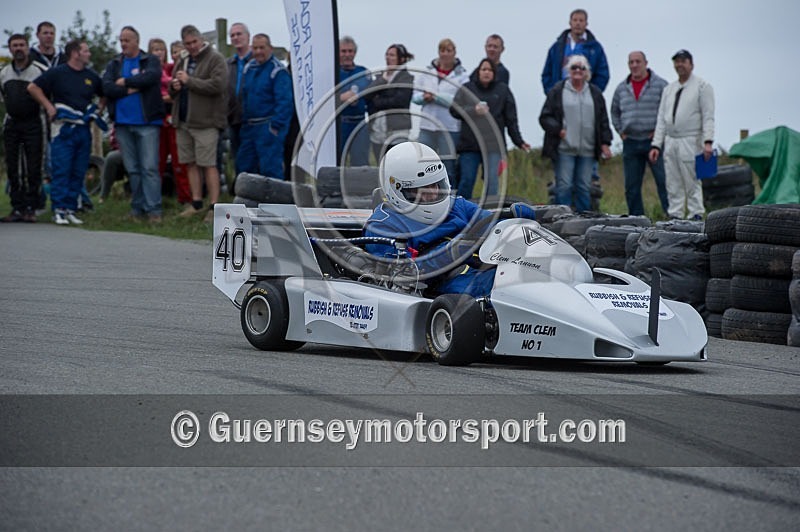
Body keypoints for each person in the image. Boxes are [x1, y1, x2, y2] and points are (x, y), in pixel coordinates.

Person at [363, 141, 536, 298]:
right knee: (503, 286)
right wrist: (454, 250)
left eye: (434, 185)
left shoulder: (457, 205)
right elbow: (401, 276)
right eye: (421, 189)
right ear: (397, 190)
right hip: (438, 290)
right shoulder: (382, 226)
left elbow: (490, 224)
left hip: (479, 270)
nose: (432, 194)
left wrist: (515, 221)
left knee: (528, 272)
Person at [27, 39, 105, 225]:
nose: (89, 54)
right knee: (62, 169)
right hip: (63, 128)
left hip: (83, 128)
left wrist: (98, 110)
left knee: (79, 170)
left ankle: (71, 208)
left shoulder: (91, 76)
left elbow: (104, 94)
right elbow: (33, 87)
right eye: (86, 51)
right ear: (75, 53)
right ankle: (58, 209)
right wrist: (49, 107)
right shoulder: (57, 72)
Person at [102, 26, 164, 222]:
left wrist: (126, 81)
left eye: (127, 40)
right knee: (133, 169)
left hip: (147, 122)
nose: (123, 44)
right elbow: (107, 87)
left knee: (149, 168)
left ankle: (154, 210)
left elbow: (151, 77)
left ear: (137, 41)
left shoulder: (149, 60)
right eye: (121, 40)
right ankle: (137, 209)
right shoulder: (114, 64)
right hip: (122, 124)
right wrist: (130, 89)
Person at [539, 55, 612, 213]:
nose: (578, 70)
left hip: (588, 149)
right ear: (568, 71)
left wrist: (605, 143)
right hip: (564, 149)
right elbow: (545, 117)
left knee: (584, 187)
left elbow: (603, 120)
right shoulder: (557, 91)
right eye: (574, 67)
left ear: (587, 72)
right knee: (564, 186)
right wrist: (558, 130)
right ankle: (561, 218)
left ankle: (583, 220)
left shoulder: (595, 93)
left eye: (582, 68)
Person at [169, 24, 227, 222]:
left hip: (206, 122)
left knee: (208, 164)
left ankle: (214, 207)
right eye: (187, 43)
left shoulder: (215, 58)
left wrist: (189, 81)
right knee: (190, 163)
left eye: (194, 42)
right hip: (183, 120)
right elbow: (173, 88)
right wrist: (175, 86)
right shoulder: (183, 60)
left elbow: (218, 85)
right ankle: (196, 203)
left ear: (201, 40)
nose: (192, 46)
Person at [649, 49, 715, 221]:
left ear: (691, 64)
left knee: (691, 180)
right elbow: (661, 119)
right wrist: (656, 144)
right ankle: (675, 216)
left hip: (691, 139)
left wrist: (708, 141)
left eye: (683, 61)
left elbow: (708, 116)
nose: (680, 65)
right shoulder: (669, 89)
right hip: (671, 140)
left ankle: (696, 215)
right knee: (672, 182)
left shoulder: (702, 86)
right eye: (677, 61)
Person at [451, 58, 530, 200]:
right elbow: (454, 110)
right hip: (470, 144)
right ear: (478, 72)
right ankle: (461, 209)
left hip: (493, 145)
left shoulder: (503, 90)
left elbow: (511, 119)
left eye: (490, 70)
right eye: (484, 69)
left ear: (494, 73)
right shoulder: (467, 88)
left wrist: (519, 141)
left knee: (492, 182)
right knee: (466, 180)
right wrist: (473, 110)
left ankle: (490, 211)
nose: (486, 72)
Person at [611, 51, 669, 216]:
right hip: (630, 141)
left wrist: (659, 132)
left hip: (654, 142)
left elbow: (668, 111)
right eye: (631, 62)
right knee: (632, 187)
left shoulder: (661, 85)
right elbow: (614, 112)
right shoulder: (621, 88)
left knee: (664, 182)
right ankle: (636, 221)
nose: (634, 65)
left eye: (638, 61)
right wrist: (621, 131)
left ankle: (670, 216)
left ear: (646, 63)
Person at [0, 34, 47, 222]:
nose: (18, 48)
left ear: (27, 47)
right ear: (10, 49)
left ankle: (31, 208)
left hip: (33, 123)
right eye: (15, 45)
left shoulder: (39, 71)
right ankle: (17, 207)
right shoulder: (3, 73)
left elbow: (47, 96)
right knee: (13, 166)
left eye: (21, 45)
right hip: (12, 123)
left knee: (33, 167)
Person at [236, 33, 293, 180]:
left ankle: (275, 195)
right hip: (249, 127)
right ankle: (248, 195)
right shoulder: (249, 68)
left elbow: (285, 103)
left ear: (270, 48)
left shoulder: (278, 71)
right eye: (255, 48)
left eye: (262, 48)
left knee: (270, 169)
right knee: (244, 167)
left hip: (268, 126)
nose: (258, 52)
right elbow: (244, 97)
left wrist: (275, 127)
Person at [414, 38, 469, 184]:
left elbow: (458, 101)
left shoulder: (463, 76)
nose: (445, 54)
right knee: (423, 164)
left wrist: (435, 97)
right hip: (427, 126)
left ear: (454, 53)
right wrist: (424, 97)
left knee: (448, 166)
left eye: (448, 51)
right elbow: (415, 97)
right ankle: (424, 193)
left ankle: (449, 195)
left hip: (449, 127)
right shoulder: (427, 72)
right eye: (442, 50)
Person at [149, 37, 190, 205]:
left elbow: (179, 91)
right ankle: (154, 198)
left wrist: (169, 98)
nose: (158, 53)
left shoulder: (172, 68)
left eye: (161, 49)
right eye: (155, 50)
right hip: (157, 118)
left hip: (173, 117)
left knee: (178, 160)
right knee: (157, 160)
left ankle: (185, 197)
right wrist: (165, 98)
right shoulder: (149, 70)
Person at [364, 43, 414, 162]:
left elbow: (400, 100)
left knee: (397, 164)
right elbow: (367, 95)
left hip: (397, 130)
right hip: (378, 130)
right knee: (381, 165)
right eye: (387, 54)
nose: (388, 58)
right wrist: (383, 80)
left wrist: (378, 101)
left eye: (392, 55)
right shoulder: (381, 76)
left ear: (401, 59)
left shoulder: (406, 77)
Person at [541, 9, 609, 95]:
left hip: (585, 96)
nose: (578, 23)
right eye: (575, 20)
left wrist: (593, 94)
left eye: (581, 20)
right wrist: (552, 93)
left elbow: (603, 74)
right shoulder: (557, 47)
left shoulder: (595, 48)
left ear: (586, 23)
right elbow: (546, 74)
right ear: (570, 22)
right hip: (560, 96)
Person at [337, 36, 371, 166]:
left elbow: (372, 98)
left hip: (359, 123)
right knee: (337, 162)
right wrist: (340, 98)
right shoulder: (332, 73)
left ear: (355, 53)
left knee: (360, 164)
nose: (347, 54)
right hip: (340, 124)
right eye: (343, 51)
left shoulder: (363, 73)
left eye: (350, 51)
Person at [226, 22, 251, 172]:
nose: (236, 38)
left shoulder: (256, 61)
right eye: (232, 35)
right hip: (233, 119)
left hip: (253, 119)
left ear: (248, 36)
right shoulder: (228, 64)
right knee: (238, 159)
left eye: (239, 34)